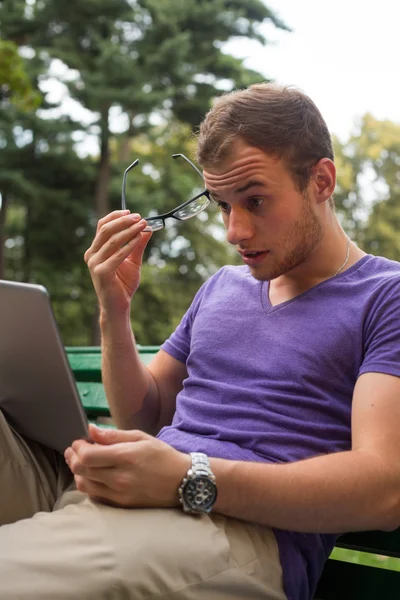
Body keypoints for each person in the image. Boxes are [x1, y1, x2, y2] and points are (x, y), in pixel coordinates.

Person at [1, 83, 400, 600]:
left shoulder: (384, 297)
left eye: (255, 200)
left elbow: (385, 486)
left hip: (232, 531)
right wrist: (114, 312)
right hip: (122, 504)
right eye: (222, 205)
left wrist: (189, 476)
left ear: (321, 181)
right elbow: (144, 417)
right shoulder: (223, 287)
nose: (234, 230)